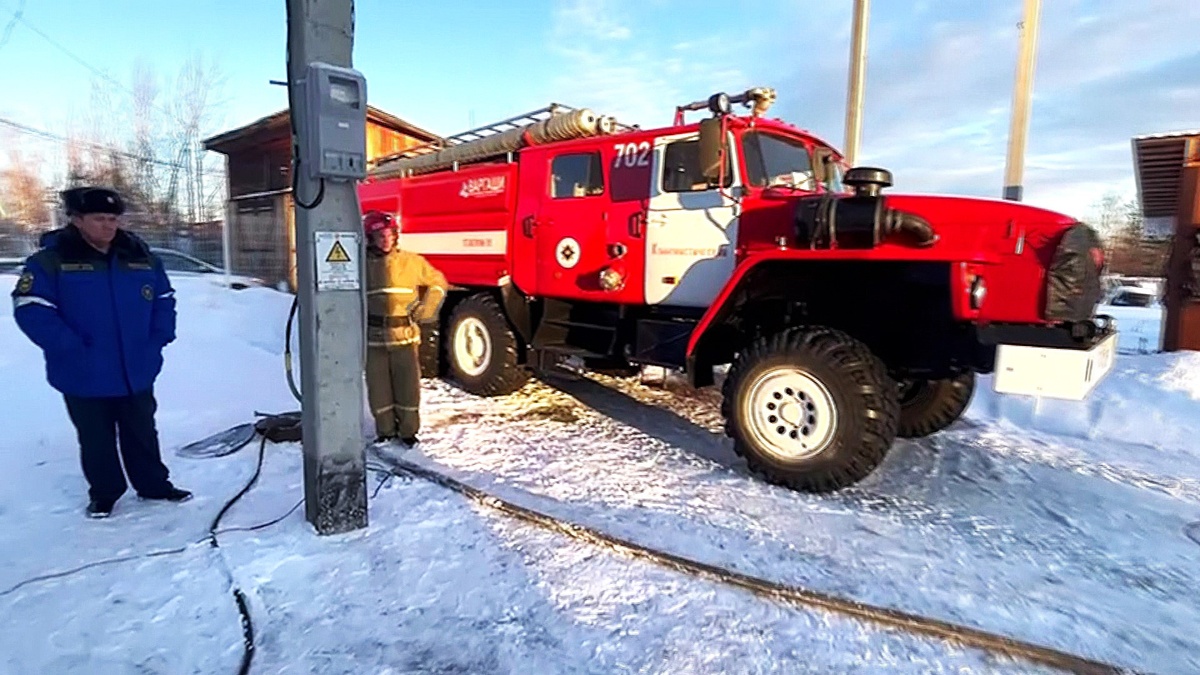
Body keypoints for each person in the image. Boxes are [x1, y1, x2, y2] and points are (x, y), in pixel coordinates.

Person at [11, 186, 191, 519]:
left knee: (142, 431)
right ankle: (105, 493)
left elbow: (164, 300)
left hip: (136, 366)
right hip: (83, 370)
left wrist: (158, 339)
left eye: (113, 218)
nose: (109, 226)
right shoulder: (51, 261)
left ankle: (154, 485)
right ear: (77, 220)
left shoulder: (139, 256)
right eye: (99, 219)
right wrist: (69, 346)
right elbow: (31, 308)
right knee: (96, 439)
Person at [363, 210, 447, 446]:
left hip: (405, 338)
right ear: (370, 238)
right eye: (380, 236)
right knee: (378, 390)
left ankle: (408, 433)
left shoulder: (411, 262)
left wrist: (427, 309)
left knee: (408, 388)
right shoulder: (361, 265)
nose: (386, 240)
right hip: (374, 339)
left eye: (390, 235)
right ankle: (386, 431)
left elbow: (437, 281)